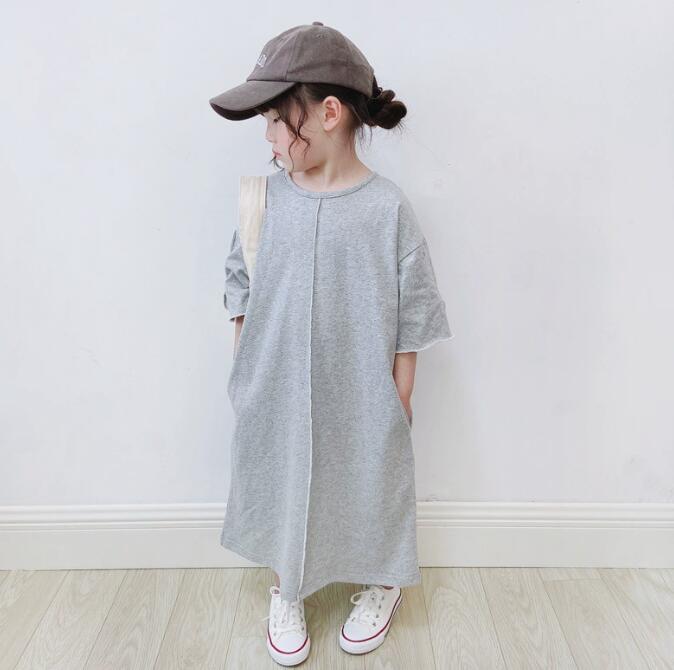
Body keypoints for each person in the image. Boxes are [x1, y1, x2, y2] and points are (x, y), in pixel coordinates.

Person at [209, 21, 453, 667]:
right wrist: (246, 371)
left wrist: (400, 396)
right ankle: (287, 584)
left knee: (372, 482)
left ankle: (383, 581)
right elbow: (239, 285)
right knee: (283, 479)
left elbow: (415, 309)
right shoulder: (263, 201)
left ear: (329, 113)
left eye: (274, 120)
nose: (267, 137)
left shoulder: (386, 208)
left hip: (364, 388)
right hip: (277, 384)